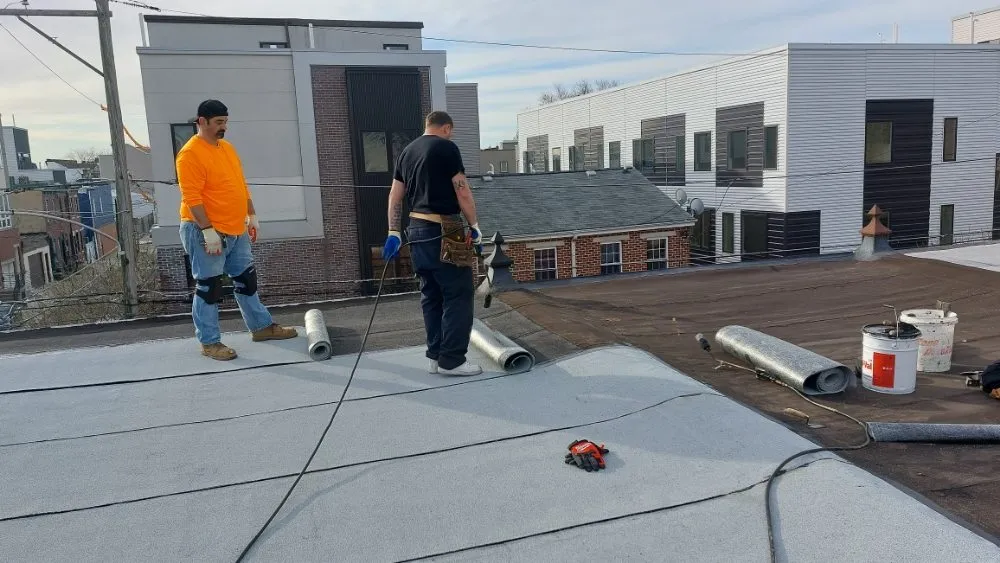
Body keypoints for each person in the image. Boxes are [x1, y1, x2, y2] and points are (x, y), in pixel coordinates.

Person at [175, 99, 297, 361]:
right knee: (209, 287)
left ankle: (262, 327)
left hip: (235, 228)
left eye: (225, 122)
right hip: (205, 231)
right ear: (202, 122)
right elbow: (192, 197)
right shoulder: (190, 154)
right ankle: (209, 343)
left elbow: (240, 184)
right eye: (218, 122)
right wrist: (207, 230)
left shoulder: (227, 148)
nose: (223, 127)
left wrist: (251, 214)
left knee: (246, 279)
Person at [384, 111, 483, 376]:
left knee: (431, 294)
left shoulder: (407, 152)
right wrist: (474, 225)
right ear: (446, 128)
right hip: (445, 229)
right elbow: (461, 190)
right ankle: (452, 361)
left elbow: (395, 196)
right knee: (458, 293)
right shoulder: (447, 148)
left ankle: (435, 357)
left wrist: (393, 231)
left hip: (416, 230)